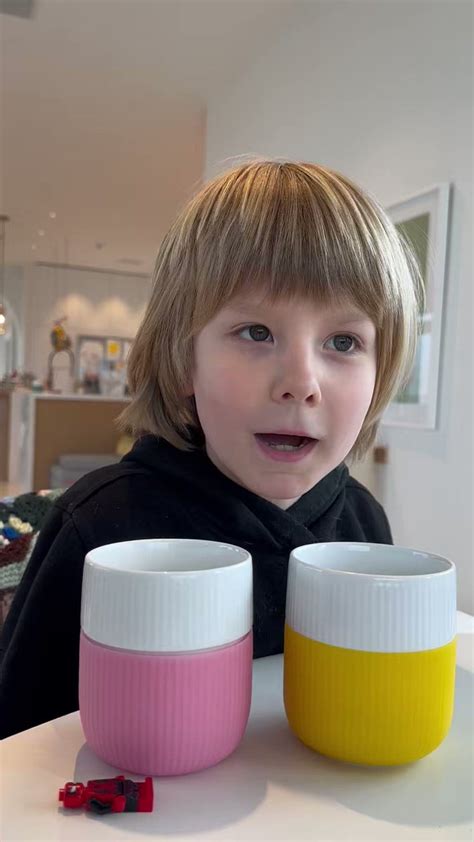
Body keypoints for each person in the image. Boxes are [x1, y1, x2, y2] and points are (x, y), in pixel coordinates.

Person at [0, 161, 423, 738]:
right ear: (183, 361)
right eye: (256, 332)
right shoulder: (102, 526)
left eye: (343, 342)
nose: (301, 383)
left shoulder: (363, 524)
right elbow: (21, 740)